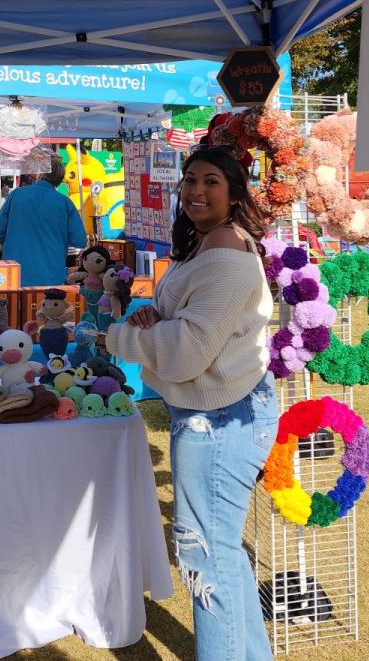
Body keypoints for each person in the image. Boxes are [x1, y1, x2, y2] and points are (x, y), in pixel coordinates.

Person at [103, 145, 277, 661]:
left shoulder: (226, 250)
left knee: (203, 555)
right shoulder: (208, 242)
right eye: (190, 181)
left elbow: (187, 351)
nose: (196, 191)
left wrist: (120, 338)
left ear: (234, 193)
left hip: (221, 419)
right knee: (220, 552)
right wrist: (155, 318)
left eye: (211, 182)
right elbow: (185, 322)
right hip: (216, 413)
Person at [0, 152, 87, 286]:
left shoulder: (17, 194)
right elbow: (80, 240)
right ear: (60, 180)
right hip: (51, 276)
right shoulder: (65, 203)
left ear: (41, 173)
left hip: (15, 274)